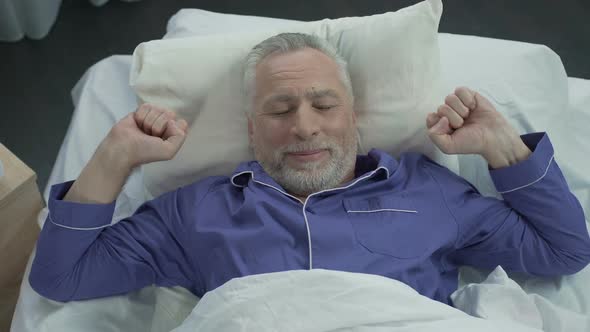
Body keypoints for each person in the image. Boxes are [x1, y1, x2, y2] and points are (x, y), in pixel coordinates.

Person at [30, 33, 590, 306]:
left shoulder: (431, 193)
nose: (303, 127)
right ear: (252, 130)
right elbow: (60, 277)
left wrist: (502, 147)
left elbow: (564, 251)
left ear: (354, 121)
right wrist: (114, 157)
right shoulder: (193, 212)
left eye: (323, 106)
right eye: (278, 109)